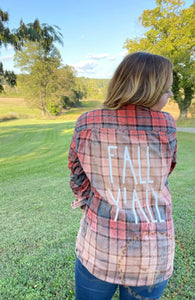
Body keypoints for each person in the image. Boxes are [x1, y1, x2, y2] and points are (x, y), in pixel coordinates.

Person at [68, 52, 177, 300]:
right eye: (166, 89)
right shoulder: (166, 125)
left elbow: (76, 175)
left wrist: (93, 201)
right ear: (148, 89)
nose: (170, 95)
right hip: (152, 254)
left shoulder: (87, 122)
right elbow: (165, 171)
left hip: (99, 247)